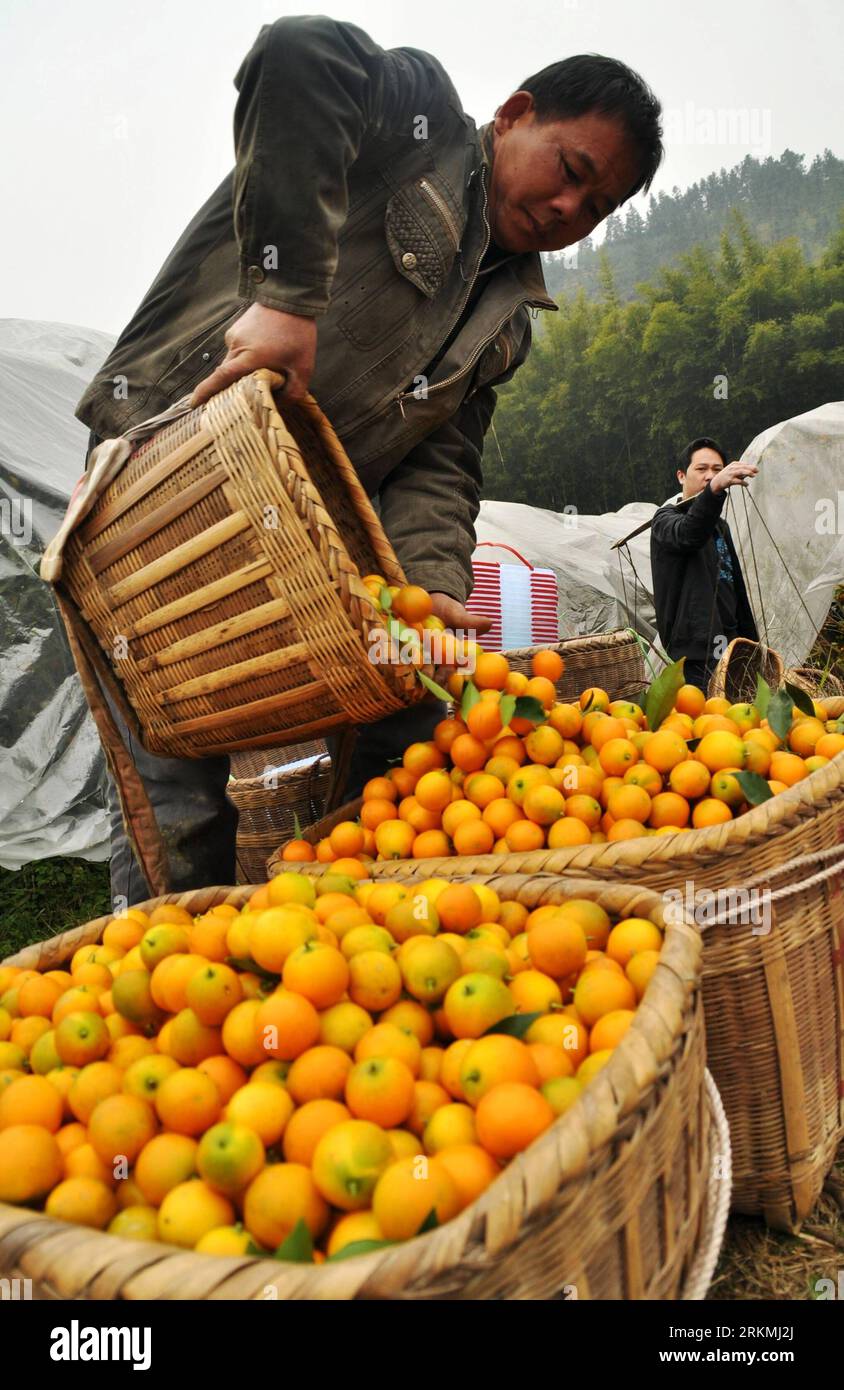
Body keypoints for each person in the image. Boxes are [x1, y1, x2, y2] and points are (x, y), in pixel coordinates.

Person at [74, 15, 663, 906]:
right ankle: (160, 986)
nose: (568, 211)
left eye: (597, 209)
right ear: (514, 113)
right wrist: (287, 299)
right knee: (179, 782)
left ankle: (363, 930)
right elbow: (298, 55)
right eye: (571, 171)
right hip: (163, 467)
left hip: (292, 534)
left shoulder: (505, 324)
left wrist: (432, 590)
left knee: (410, 722)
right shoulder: (414, 123)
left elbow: (440, 467)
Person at [650, 437, 759, 693]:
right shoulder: (665, 519)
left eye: (717, 470)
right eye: (701, 469)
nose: (710, 476)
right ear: (681, 476)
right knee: (707, 724)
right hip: (696, 652)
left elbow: (734, 585)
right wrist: (715, 490)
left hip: (731, 644)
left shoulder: (720, 527)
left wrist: (750, 643)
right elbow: (689, 534)